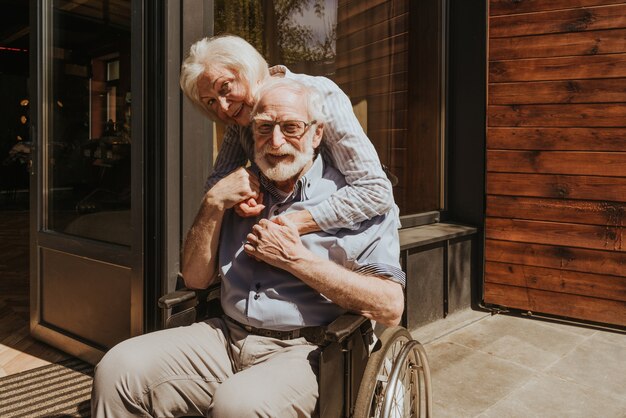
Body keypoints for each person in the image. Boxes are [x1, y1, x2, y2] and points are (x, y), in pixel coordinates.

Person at [91, 79, 405, 417]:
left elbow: (389, 307)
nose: (276, 141)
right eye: (264, 128)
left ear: (316, 135)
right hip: (226, 337)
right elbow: (196, 280)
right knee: (117, 369)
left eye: (291, 127)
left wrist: (297, 261)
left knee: (238, 405)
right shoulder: (236, 192)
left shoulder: (358, 200)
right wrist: (212, 203)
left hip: (308, 349)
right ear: (250, 134)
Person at [179, 34, 395, 235]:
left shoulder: (320, 94)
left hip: (358, 238)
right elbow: (217, 184)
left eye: (225, 87)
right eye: (211, 102)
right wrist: (239, 199)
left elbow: (374, 191)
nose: (224, 108)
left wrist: (292, 223)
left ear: (246, 69)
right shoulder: (239, 117)